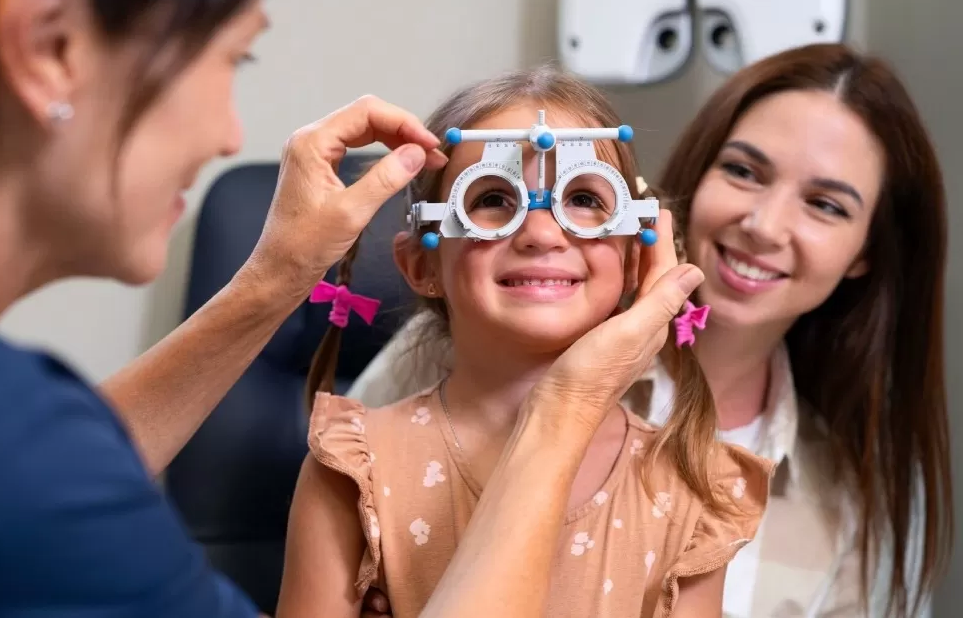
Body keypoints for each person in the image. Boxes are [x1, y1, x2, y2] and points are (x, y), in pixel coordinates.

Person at [0, 0, 707, 617]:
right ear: (50, 39)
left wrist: (275, 276)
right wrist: (570, 401)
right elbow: (14, 488)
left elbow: (10, 488)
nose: (232, 135)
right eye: (232, 58)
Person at [349, 44, 953, 617]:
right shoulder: (492, 336)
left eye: (826, 205)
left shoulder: (851, 497)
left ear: (866, 252)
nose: (765, 226)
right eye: (743, 171)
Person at [276, 67, 773, 618]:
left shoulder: (688, 488)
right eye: (492, 199)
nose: (540, 233)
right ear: (421, 265)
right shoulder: (354, 470)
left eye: (584, 199)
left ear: (636, 256)